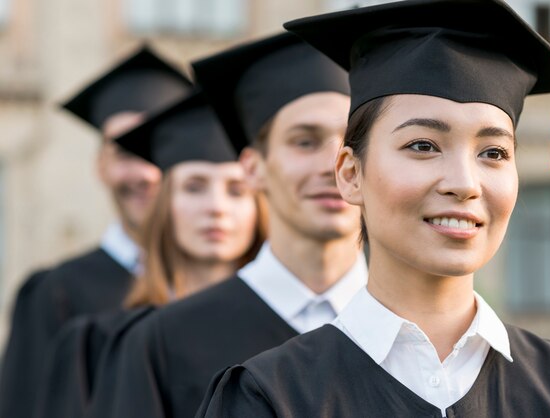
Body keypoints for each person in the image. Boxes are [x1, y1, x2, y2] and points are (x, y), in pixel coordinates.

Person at [196, 1, 550, 417]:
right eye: (423, 146)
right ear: (349, 173)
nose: (463, 183)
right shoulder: (269, 398)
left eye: (493, 152)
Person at [91, 32, 367, 418]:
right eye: (305, 142)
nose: (333, 165)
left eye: (352, 141)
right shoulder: (162, 344)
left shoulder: (425, 335)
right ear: (253, 169)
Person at [34, 89, 266, 418]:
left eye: (237, 190)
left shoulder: (291, 334)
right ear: (164, 205)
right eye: (194, 187)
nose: (216, 208)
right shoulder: (101, 343)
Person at [0, 45, 192, 418]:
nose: (146, 174)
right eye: (125, 153)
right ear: (100, 166)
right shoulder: (54, 294)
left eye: (160, 151)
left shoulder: (230, 284)